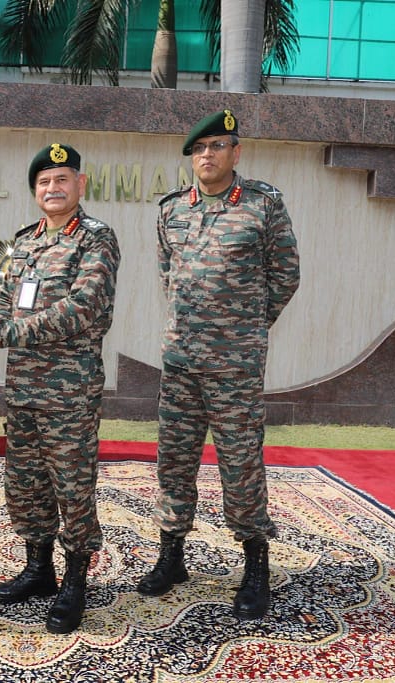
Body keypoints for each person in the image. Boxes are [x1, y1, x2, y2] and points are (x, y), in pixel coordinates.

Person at [137, 109, 300, 621]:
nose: (206, 155)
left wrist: (247, 327)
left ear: (236, 152)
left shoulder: (262, 206)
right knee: (175, 460)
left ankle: (255, 567)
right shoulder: (170, 210)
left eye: (216, 146)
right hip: (181, 361)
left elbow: (286, 274)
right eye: (199, 148)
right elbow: (169, 275)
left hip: (235, 367)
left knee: (241, 465)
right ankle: (172, 556)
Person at [0, 143, 120, 634]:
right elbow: (2, 302)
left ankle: (76, 582)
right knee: (26, 485)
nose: (52, 189)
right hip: (23, 388)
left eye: (61, 179)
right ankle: (38, 569)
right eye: (43, 182)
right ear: (35, 191)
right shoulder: (22, 242)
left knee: (73, 488)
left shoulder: (96, 239)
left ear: (81, 184)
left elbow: (84, 306)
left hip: (69, 392)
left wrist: (6, 333)